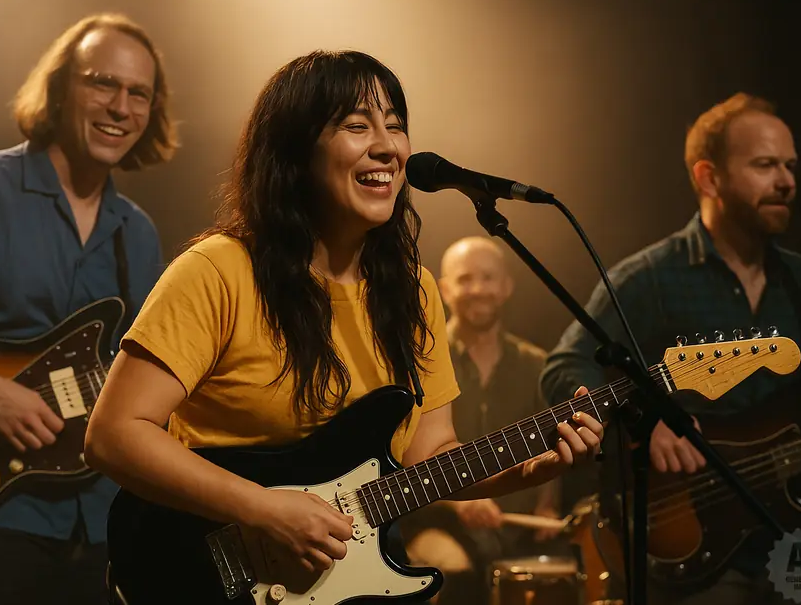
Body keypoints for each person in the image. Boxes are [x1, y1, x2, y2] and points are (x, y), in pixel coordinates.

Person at [84, 50, 603, 604]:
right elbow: (114, 435)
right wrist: (262, 509)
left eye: (395, 125)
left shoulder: (413, 290)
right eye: (357, 126)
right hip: (203, 573)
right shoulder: (219, 270)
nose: (388, 146)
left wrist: (528, 467)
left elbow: (428, 454)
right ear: (295, 149)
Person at [539, 92, 801, 605]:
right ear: (709, 177)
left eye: (790, 165)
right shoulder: (650, 277)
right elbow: (565, 367)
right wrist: (643, 419)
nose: (787, 181)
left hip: (796, 531)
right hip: (689, 536)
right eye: (765, 165)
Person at [0, 13, 178, 605]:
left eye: (139, 94)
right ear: (59, 88)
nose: (120, 107)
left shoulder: (137, 235)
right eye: (103, 83)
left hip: (98, 526)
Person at [400, 236, 567, 583]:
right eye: (465, 279)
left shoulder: (537, 364)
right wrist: (458, 502)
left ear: (506, 287)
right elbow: (402, 459)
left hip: (515, 536)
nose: (477, 289)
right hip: (438, 526)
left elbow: (549, 440)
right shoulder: (420, 360)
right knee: (450, 569)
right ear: (445, 289)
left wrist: (547, 506)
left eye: (488, 278)